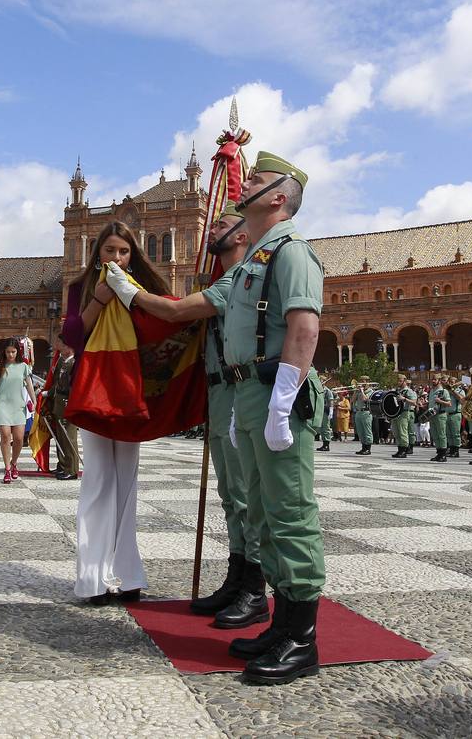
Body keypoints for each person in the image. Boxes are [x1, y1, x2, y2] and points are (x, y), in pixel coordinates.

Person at [111, 152, 326, 684]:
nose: (243, 184)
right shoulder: (256, 259)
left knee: (290, 512)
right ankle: (280, 624)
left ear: (278, 197)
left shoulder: (292, 253)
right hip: (246, 395)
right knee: (265, 513)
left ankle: (302, 638)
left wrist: (282, 399)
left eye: (255, 179)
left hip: (274, 394)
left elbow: (304, 327)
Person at [128, 201, 264, 629]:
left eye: (221, 225)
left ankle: (255, 588)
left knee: (246, 494)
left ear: (241, 235)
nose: (212, 230)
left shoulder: (240, 281)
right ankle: (237, 577)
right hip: (219, 394)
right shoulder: (222, 278)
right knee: (230, 493)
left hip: (241, 393)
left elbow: (175, 311)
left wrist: (128, 290)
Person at [62, 221, 166, 603]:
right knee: (98, 480)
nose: (117, 258)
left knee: (128, 482)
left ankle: (128, 575)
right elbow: (72, 336)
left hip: (132, 391)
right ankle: (92, 578)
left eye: (123, 252)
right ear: (97, 252)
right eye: (110, 251)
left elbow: (167, 326)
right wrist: (102, 298)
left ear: (132, 254)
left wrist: (132, 297)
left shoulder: (145, 289)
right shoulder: (80, 287)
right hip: (95, 390)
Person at [0, 339, 36, 483]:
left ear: (18, 352)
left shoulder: (23, 366)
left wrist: (35, 401)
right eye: (8, 352)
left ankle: (14, 463)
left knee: (19, 438)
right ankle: (7, 468)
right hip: (2, 404)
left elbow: (29, 386)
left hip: (18, 405)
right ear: (4, 352)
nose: (10, 355)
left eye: (13, 352)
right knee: (6, 436)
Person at [48, 340, 80, 479]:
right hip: (59, 403)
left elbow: (74, 386)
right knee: (60, 437)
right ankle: (63, 464)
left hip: (68, 403)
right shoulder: (63, 362)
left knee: (69, 437)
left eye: (64, 344)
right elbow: (57, 383)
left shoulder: (74, 363)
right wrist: (47, 394)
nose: (60, 346)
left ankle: (72, 469)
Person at [389, 374, 418, 457]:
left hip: (404, 413)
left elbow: (414, 402)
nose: (398, 382)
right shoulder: (397, 391)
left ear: (405, 381)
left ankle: (404, 450)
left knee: (403, 432)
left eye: (400, 381)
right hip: (396, 414)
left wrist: (404, 399)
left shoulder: (408, 391)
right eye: (398, 380)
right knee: (396, 432)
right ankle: (399, 449)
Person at [353, 383, 373, 455]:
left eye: (364, 382)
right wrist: (356, 391)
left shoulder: (370, 391)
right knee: (360, 431)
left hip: (366, 412)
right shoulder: (358, 391)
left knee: (367, 431)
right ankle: (363, 447)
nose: (362, 384)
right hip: (358, 412)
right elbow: (352, 400)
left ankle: (368, 448)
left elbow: (365, 399)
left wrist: (362, 391)